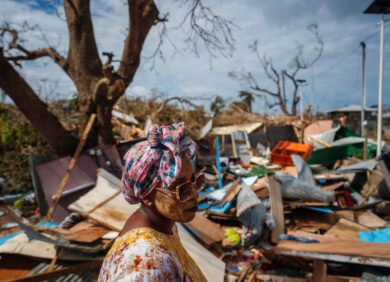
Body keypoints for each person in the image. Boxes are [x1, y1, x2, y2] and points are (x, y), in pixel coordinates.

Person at [98, 122, 207, 282]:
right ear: (147, 197)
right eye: (181, 189)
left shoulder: (165, 227)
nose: (194, 194)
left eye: (195, 182)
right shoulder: (144, 263)